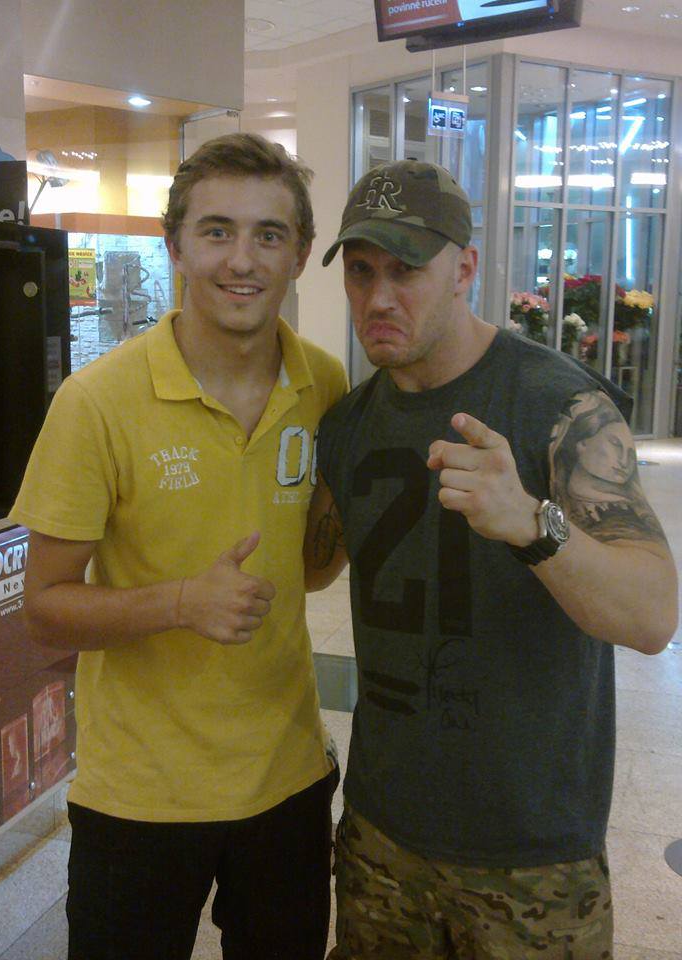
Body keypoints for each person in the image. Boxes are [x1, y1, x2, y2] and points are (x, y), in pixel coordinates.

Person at [304, 159, 678, 959]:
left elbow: (652, 617)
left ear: (465, 269)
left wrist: (534, 524)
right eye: (361, 271)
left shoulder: (558, 403)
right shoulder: (348, 423)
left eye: (406, 270)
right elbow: (312, 567)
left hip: (532, 857)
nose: (378, 298)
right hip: (380, 835)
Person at [10, 132, 348, 960]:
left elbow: (309, 568)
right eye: (217, 231)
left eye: (269, 234)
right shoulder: (97, 401)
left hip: (287, 782)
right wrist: (182, 603)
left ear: (301, 253)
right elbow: (44, 611)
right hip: (139, 797)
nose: (243, 259)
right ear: (176, 246)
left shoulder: (325, 386)